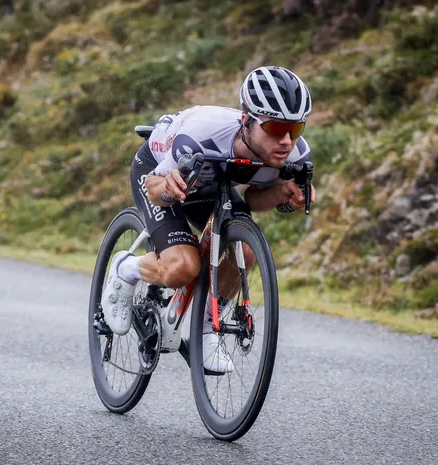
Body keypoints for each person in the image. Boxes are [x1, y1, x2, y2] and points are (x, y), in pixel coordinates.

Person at [101, 65, 316, 373]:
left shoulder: (293, 155)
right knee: (183, 267)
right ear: (247, 120)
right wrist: (169, 189)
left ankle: (206, 330)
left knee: (244, 252)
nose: (286, 141)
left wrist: (283, 193)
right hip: (161, 173)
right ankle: (126, 268)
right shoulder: (201, 135)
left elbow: (254, 199)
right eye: (275, 128)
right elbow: (153, 190)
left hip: (214, 184)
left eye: (295, 129)